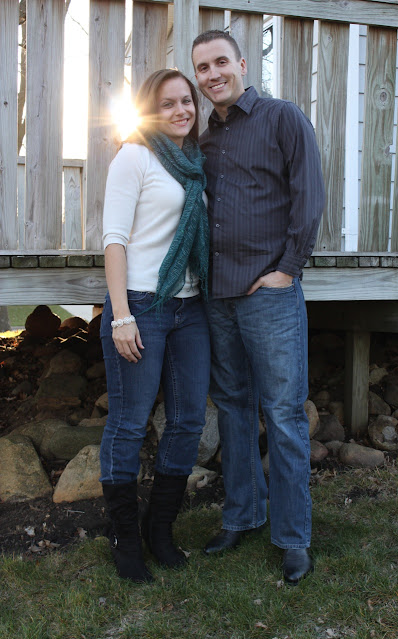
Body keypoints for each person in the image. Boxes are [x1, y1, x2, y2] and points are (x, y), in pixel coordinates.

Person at [191, 30, 325, 585]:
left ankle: (293, 538)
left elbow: (309, 196)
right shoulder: (205, 139)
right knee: (234, 409)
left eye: (220, 62)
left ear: (242, 64)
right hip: (219, 296)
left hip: (269, 295)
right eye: (202, 68)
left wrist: (287, 269)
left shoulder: (281, 118)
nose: (212, 74)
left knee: (285, 417)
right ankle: (242, 515)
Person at [100, 69, 210, 583]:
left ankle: (159, 529)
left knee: (188, 420)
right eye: (167, 104)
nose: (181, 111)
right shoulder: (135, 156)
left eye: (186, 101)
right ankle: (125, 539)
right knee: (129, 421)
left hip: (191, 307)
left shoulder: (196, 164)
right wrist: (121, 315)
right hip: (143, 304)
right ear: (149, 110)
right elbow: (114, 239)